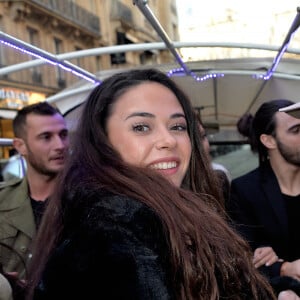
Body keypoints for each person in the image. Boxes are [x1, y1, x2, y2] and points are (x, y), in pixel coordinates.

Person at [25, 68, 275, 300]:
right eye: (142, 127)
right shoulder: (114, 227)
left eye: (178, 126)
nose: (168, 140)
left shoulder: (180, 209)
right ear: (103, 141)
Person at [227, 99, 300, 299]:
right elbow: (242, 262)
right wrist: (283, 269)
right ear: (269, 140)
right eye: (296, 130)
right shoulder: (245, 191)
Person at [0, 102, 69, 280]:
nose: (60, 145)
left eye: (63, 134)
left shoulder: (91, 201)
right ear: (20, 146)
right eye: (46, 137)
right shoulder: (2, 200)